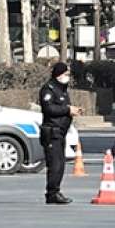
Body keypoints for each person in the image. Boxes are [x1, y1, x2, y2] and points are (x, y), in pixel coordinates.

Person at [39, 62, 82, 204]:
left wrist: (72, 110)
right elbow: (49, 109)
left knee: (60, 164)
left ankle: (55, 191)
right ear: (58, 74)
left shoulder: (62, 90)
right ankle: (52, 193)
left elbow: (63, 106)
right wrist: (67, 110)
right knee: (55, 165)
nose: (67, 77)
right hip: (52, 132)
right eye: (65, 74)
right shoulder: (48, 89)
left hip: (61, 132)